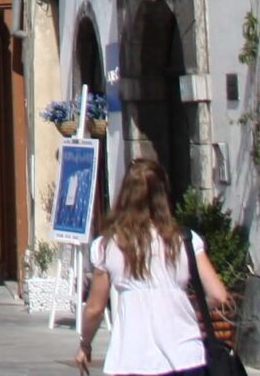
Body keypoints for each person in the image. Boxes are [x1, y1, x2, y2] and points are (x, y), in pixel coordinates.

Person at [74, 159, 231, 376]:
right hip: (185, 356)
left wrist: (85, 344)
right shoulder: (185, 240)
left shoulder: (107, 246)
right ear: (163, 195)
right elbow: (218, 295)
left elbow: (94, 308)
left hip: (131, 359)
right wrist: (186, 309)